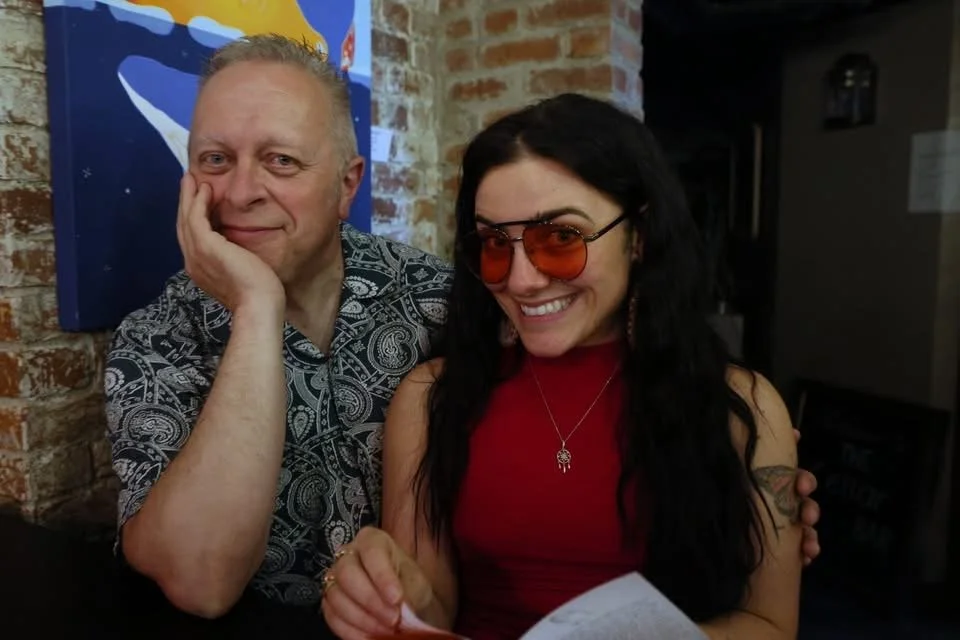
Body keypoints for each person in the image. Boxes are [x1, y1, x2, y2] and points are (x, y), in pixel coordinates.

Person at [104, 35, 821, 621]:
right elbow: (201, 583)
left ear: (349, 183)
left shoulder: (450, 303)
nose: (238, 192)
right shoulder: (159, 340)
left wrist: (734, 490)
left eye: (281, 159)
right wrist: (256, 310)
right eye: (214, 160)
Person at [320, 93, 808, 640]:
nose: (522, 280)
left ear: (638, 237)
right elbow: (433, 608)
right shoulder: (432, 397)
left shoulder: (744, 406)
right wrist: (386, 601)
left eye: (561, 238)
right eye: (494, 245)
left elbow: (769, 624)